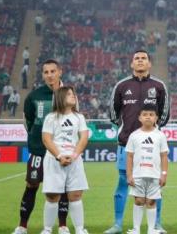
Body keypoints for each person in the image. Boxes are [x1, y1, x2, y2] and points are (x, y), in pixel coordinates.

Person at [105, 50, 170, 234]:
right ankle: (118, 224)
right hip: (126, 144)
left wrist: (149, 132)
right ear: (131, 64)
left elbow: (164, 114)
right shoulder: (121, 86)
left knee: (155, 183)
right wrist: (129, 131)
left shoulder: (159, 86)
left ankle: (156, 224)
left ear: (149, 64)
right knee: (124, 181)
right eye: (137, 58)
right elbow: (113, 113)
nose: (140, 61)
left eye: (144, 58)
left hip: (152, 145)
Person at [13, 59, 70, 234]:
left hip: (62, 151)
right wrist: (38, 138)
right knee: (31, 184)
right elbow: (28, 121)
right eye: (46, 72)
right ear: (43, 74)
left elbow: (73, 119)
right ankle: (22, 226)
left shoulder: (69, 94)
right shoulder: (34, 96)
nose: (49, 75)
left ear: (60, 72)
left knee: (64, 188)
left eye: (53, 71)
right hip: (39, 151)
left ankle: (62, 226)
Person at [40, 86, 90, 234]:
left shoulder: (79, 117)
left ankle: (80, 229)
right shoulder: (51, 117)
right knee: (52, 196)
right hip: (54, 160)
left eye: (73, 93)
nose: (73, 96)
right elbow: (46, 139)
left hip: (74, 160)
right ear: (61, 97)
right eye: (69, 94)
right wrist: (59, 156)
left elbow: (84, 137)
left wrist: (74, 155)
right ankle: (47, 229)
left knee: (75, 195)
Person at [125, 103, 169, 234]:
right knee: (138, 201)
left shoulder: (160, 135)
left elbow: (164, 156)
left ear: (156, 118)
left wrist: (164, 174)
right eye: (145, 115)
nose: (148, 117)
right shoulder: (134, 135)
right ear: (139, 117)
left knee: (151, 202)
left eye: (151, 115)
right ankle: (136, 229)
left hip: (154, 175)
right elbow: (129, 156)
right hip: (138, 174)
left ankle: (151, 230)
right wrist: (129, 175)